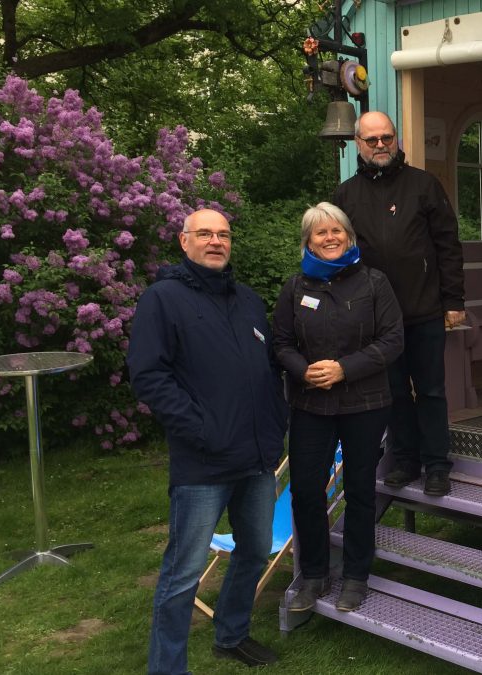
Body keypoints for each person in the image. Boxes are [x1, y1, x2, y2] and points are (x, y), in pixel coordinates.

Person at [127, 208, 288, 674]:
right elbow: (149, 375)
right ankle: (167, 667)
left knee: (255, 550)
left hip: (257, 457)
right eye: (204, 234)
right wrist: (202, 429)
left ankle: (231, 634)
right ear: (184, 242)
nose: (215, 241)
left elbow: (271, 368)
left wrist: (276, 423)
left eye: (223, 234)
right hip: (202, 463)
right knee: (182, 574)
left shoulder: (250, 301)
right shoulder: (162, 299)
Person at [272, 202, 403, 613]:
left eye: (337, 231)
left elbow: (392, 341)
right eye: (320, 233)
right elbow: (280, 344)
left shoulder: (374, 283)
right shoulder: (296, 288)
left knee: (361, 490)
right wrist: (303, 370)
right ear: (307, 241)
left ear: (349, 236)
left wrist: (344, 369)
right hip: (310, 404)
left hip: (365, 403)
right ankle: (313, 574)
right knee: (307, 490)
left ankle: (355, 576)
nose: (330, 238)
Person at [332, 111, 465, 497]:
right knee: (391, 392)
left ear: (397, 140)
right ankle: (406, 460)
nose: (380, 145)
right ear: (358, 143)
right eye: (371, 140)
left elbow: (448, 246)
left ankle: (438, 465)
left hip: (425, 309)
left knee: (431, 390)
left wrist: (453, 300)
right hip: (375, 319)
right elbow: (338, 254)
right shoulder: (345, 195)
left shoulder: (424, 185)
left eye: (386, 138)